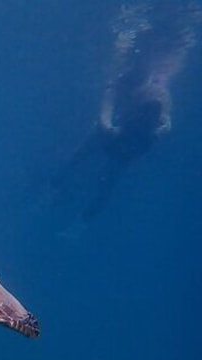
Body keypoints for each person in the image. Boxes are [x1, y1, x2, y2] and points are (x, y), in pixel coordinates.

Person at [50, 2, 200, 222]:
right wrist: (106, 124)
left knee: (111, 176)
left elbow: (166, 119)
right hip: (117, 129)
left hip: (133, 136)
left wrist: (157, 131)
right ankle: (57, 185)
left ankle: (87, 215)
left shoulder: (157, 87)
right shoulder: (124, 78)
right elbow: (108, 101)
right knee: (83, 155)